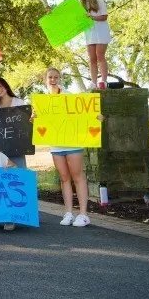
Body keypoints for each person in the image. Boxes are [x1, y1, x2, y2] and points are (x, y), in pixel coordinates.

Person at [42, 68, 91, 227]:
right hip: (56, 145)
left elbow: (83, 114)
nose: (53, 80)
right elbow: (42, 124)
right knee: (64, 178)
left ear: (60, 78)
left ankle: (83, 214)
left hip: (72, 142)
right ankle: (68, 212)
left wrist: (96, 117)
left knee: (78, 176)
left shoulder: (68, 95)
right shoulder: (42, 101)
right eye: (50, 77)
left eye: (56, 77)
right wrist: (34, 118)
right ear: (45, 79)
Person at [0, 71, 29, 169]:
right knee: (3, 176)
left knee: (19, 173)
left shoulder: (19, 102)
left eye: (0, 86)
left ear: (6, 86)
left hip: (17, 146)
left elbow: (27, 123)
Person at [79, 0, 112, 89]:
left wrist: (92, 17)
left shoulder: (99, 1)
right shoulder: (80, 5)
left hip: (101, 32)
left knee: (100, 55)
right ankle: (93, 82)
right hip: (89, 33)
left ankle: (104, 81)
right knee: (92, 58)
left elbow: (104, 17)